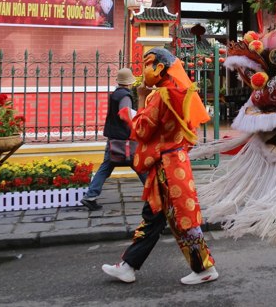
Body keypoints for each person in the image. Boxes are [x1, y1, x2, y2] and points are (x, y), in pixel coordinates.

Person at [102, 48, 218, 285]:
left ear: (160, 68)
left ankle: (204, 268)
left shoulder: (161, 95)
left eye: (148, 63)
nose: (143, 69)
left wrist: (141, 99)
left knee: (180, 220)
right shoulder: (181, 93)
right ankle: (128, 266)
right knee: (156, 216)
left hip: (167, 167)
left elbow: (142, 129)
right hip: (176, 162)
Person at [81, 68, 143, 211]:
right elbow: (124, 113)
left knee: (106, 168)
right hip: (123, 139)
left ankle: (90, 195)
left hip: (114, 138)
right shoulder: (125, 96)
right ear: (130, 82)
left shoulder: (116, 94)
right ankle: (155, 195)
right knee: (140, 167)